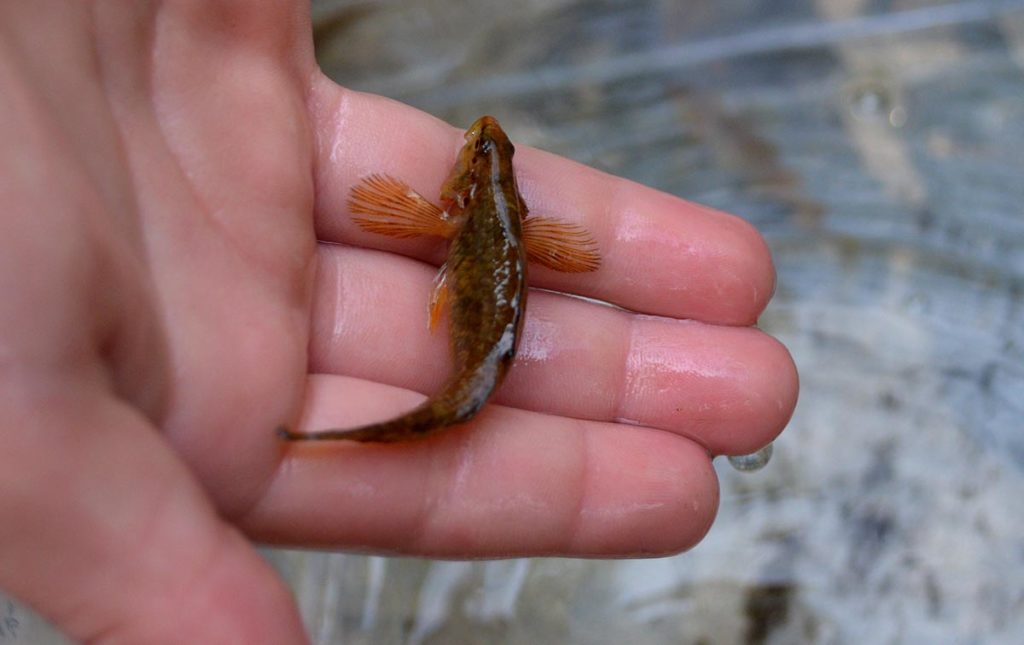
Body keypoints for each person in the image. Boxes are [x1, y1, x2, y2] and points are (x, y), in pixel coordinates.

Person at [0, 2, 798, 643]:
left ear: (464, 200)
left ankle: (351, 434)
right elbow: (561, 253)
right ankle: (351, 433)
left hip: (485, 342)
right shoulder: (503, 227)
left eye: (491, 160)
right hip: (488, 330)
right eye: (486, 156)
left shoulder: (460, 221)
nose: (482, 146)